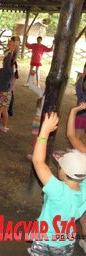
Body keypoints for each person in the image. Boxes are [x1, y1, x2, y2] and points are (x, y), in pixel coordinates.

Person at [29, 112, 86, 255]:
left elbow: (38, 162)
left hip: (45, 241)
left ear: (63, 172)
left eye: (59, 166)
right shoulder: (84, 189)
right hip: (67, 242)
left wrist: (44, 132)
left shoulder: (58, 190)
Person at [67, 103, 86, 253]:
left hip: (80, 195)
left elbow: (71, 136)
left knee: (69, 215)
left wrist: (73, 112)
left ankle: (49, 244)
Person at [26, 81, 45, 161]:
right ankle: (41, 156)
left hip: (38, 118)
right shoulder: (55, 95)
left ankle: (35, 155)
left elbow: (30, 85)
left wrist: (31, 74)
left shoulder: (42, 92)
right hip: (47, 120)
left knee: (36, 138)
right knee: (43, 138)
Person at [74, 63, 86, 141]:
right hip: (81, 114)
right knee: (80, 140)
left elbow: (79, 94)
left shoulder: (80, 80)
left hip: (81, 113)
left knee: (77, 140)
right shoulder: (81, 80)